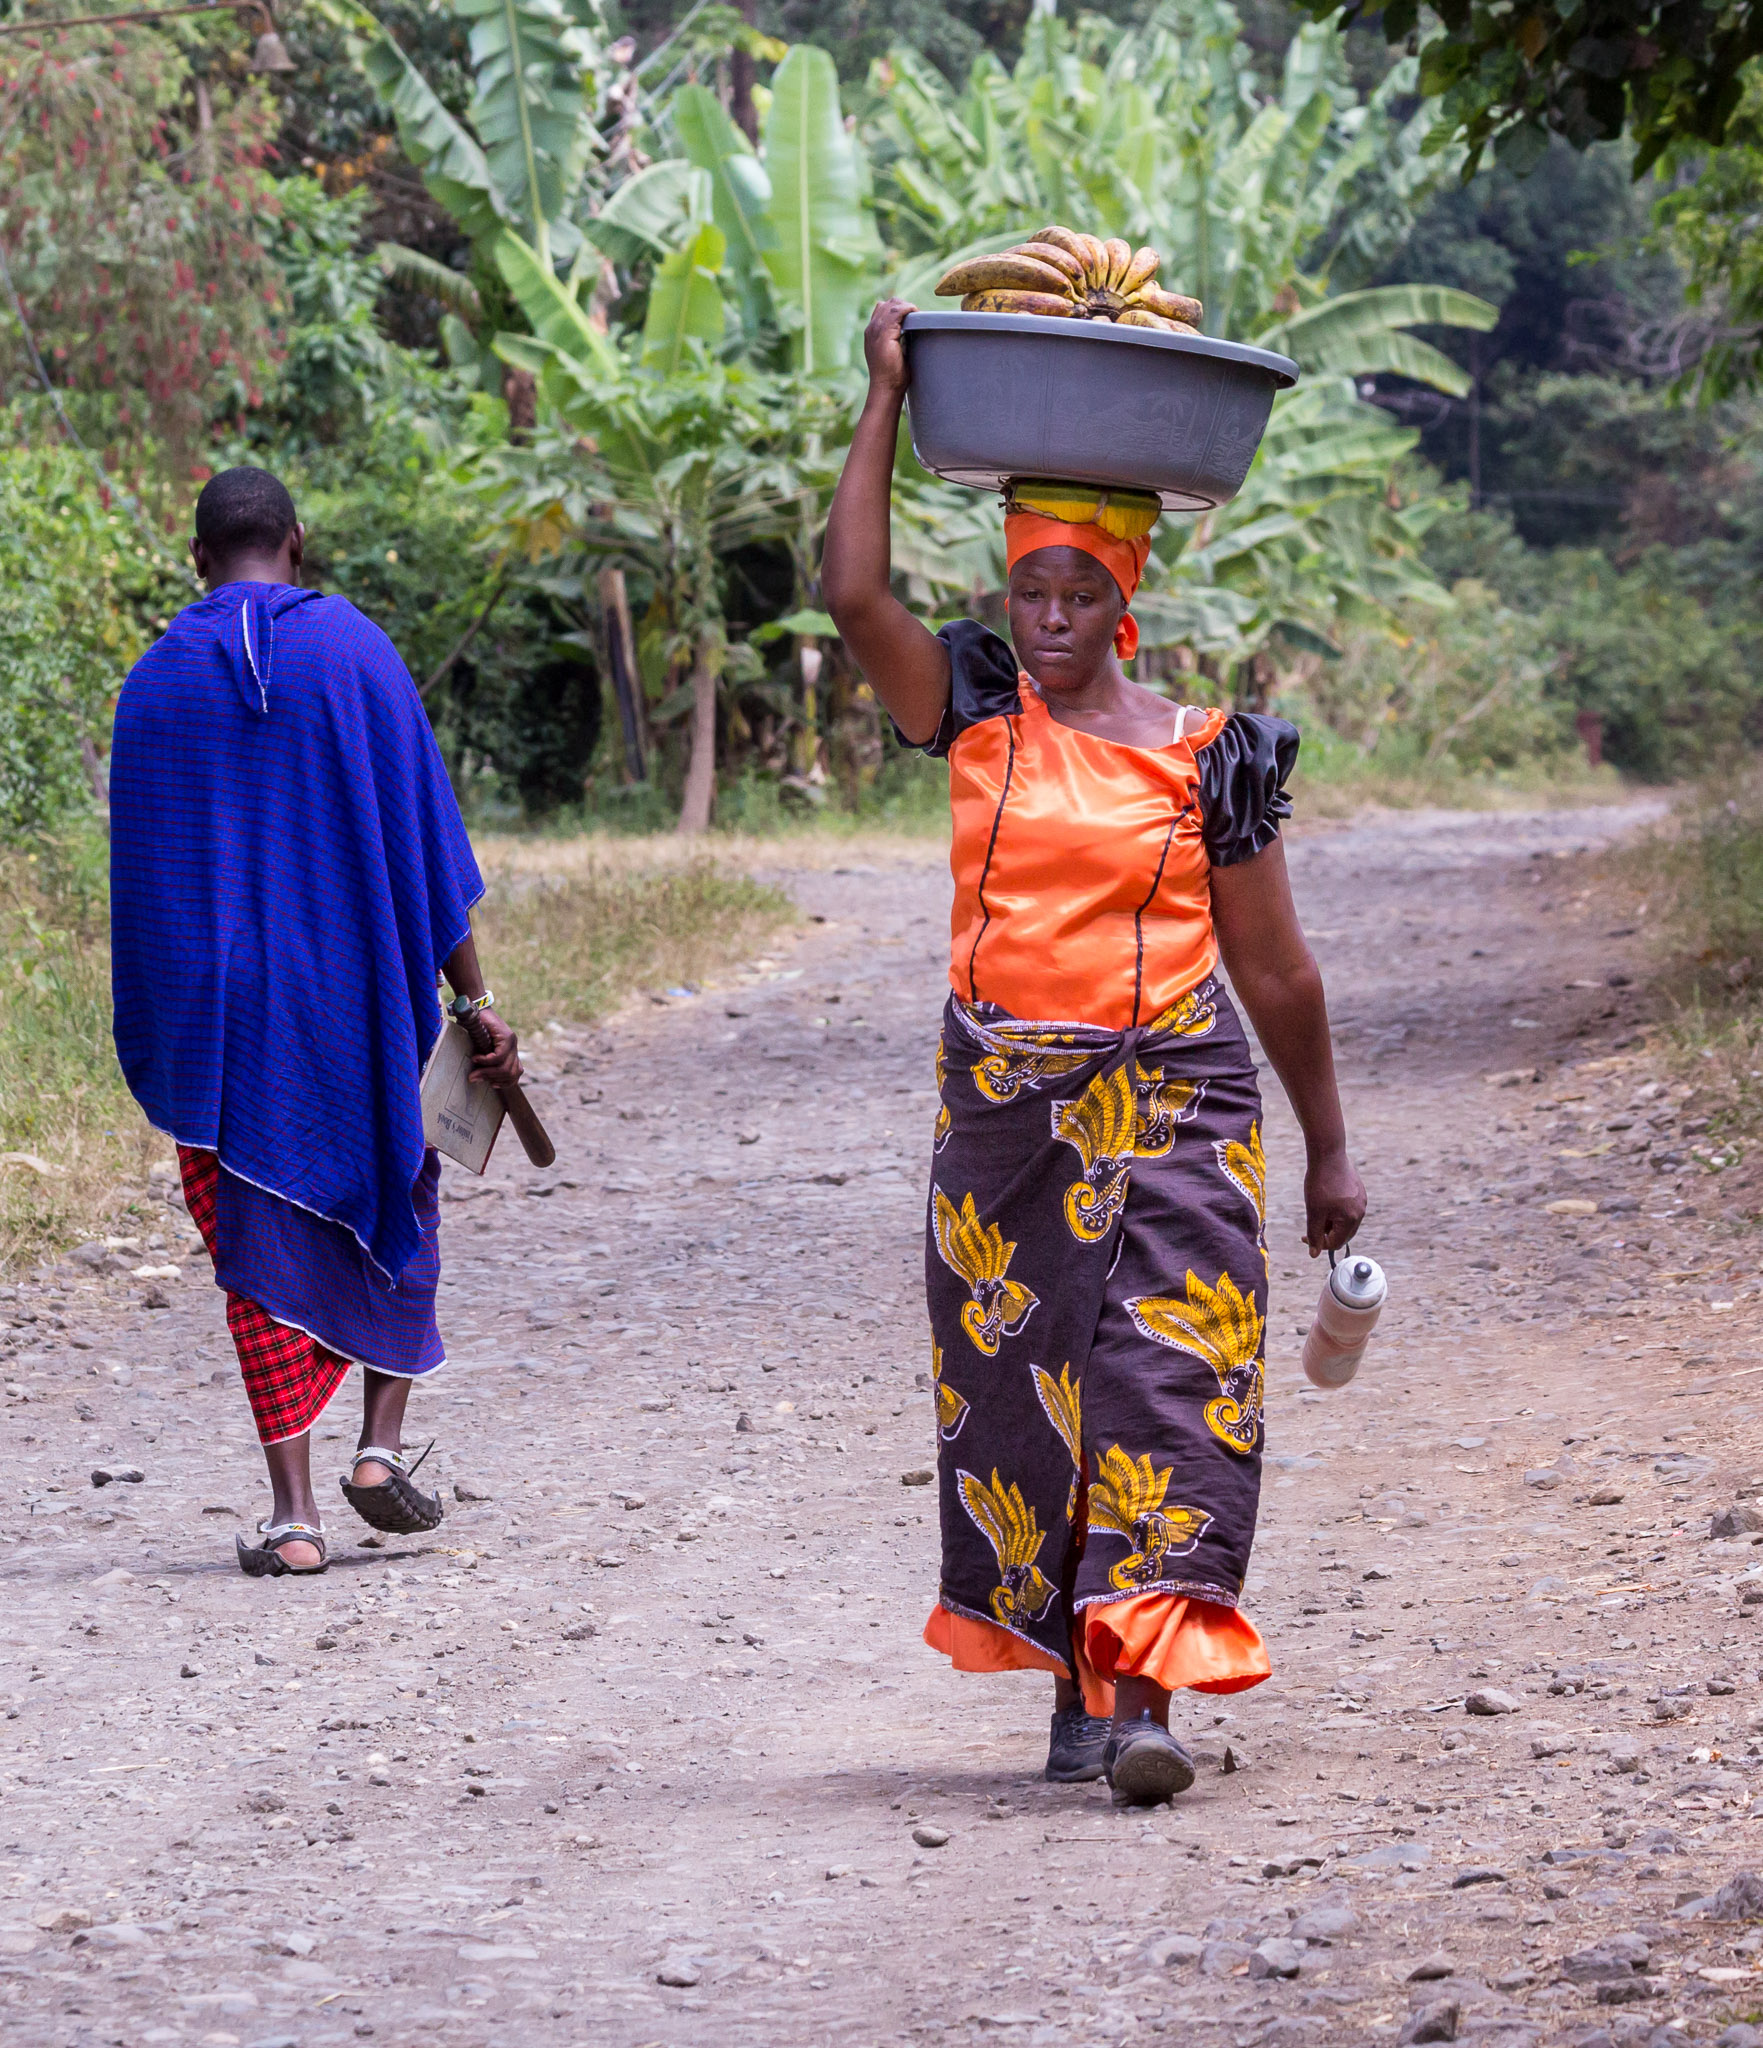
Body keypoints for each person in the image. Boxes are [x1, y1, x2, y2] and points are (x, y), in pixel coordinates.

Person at [822, 300, 1367, 1806]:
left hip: (1177, 1095)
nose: (1047, 617)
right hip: (1005, 1110)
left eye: (1074, 592)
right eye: (1027, 590)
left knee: (1165, 1380)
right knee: (1028, 1389)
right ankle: (1076, 1683)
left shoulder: (1209, 756)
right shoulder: (974, 709)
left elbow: (1275, 970)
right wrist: (882, 396)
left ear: (1119, 594)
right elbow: (852, 592)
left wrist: (1327, 1144)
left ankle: (1142, 1703)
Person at [109, 466, 521, 1577]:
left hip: (219, 1031)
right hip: (352, 999)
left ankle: (294, 1516)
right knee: (402, 1192)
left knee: (249, 1250)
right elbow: (428, 852)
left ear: (199, 558)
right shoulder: (357, 654)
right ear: (297, 541)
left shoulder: (151, 684)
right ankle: (379, 1446)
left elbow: (143, 891)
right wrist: (473, 1004)